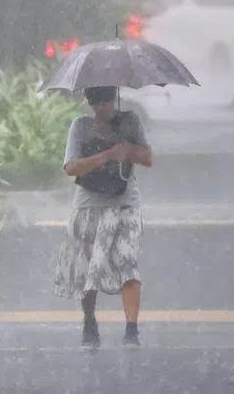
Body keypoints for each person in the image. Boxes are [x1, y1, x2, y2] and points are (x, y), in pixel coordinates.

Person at [51, 85, 153, 347]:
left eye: (105, 102)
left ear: (113, 98)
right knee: (87, 267)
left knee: (127, 260)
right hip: (89, 204)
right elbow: (71, 167)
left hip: (125, 203)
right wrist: (106, 154)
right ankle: (89, 320)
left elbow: (148, 157)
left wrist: (126, 149)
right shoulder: (81, 127)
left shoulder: (130, 122)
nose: (101, 108)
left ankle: (132, 329)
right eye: (95, 102)